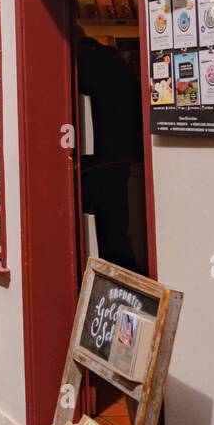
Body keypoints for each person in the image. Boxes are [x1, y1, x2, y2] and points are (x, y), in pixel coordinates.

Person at [76, 30, 143, 271]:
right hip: (121, 157)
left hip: (90, 162)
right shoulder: (116, 62)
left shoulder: (78, 62)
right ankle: (122, 279)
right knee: (116, 227)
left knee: (89, 229)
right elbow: (138, 105)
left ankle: (103, 287)